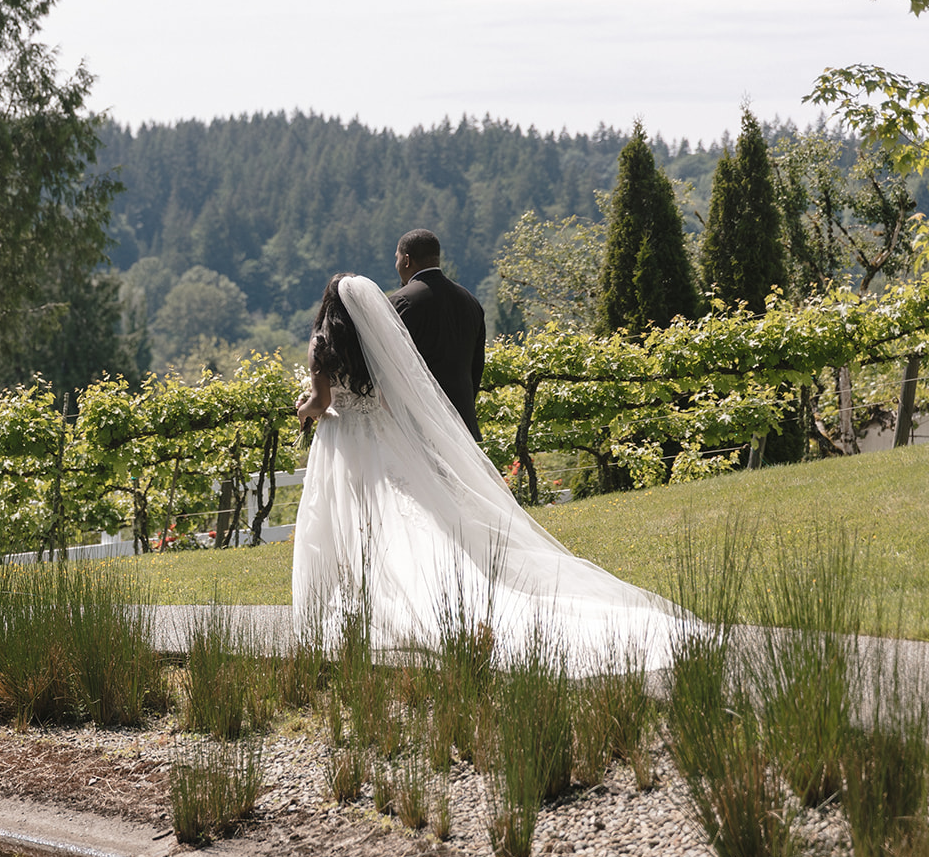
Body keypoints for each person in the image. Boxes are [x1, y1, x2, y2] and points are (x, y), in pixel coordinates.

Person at [292, 272, 690, 667]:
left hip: (343, 440)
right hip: (380, 436)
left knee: (346, 517)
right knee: (391, 515)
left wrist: (303, 410)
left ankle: (354, 601)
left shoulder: (323, 345)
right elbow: (386, 400)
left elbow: (321, 401)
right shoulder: (370, 341)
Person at [390, 229, 486, 441]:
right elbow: (477, 366)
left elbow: (390, 363)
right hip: (463, 421)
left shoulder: (401, 302)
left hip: (420, 423)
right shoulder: (470, 301)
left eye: (397, 258)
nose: (396, 265)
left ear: (407, 260)